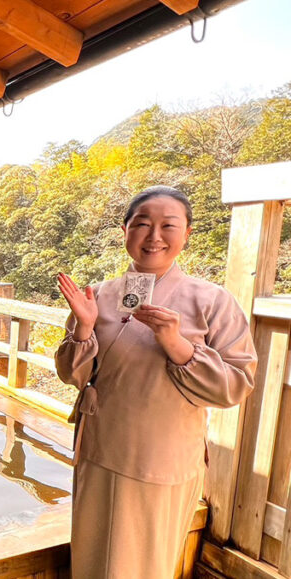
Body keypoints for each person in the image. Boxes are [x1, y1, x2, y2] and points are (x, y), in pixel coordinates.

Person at [55, 185, 257, 578]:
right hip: (98, 449)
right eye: (142, 224)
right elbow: (72, 375)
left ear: (187, 233)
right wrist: (83, 327)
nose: (154, 236)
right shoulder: (99, 295)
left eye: (168, 225)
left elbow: (236, 385)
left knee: (144, 562)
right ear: (125, 229)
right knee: (93, 557)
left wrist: (176, 345)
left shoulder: (211, 300)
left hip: (160, 457)